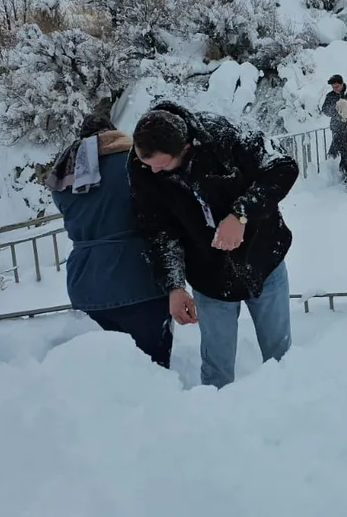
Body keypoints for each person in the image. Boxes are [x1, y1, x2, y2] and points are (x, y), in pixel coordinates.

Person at [127, 102, 298, 389]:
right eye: (147, 164)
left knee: (281, 356)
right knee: (216, 371)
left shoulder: (222, 134)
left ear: (185, 148)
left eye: (161, 164)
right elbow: (156, 230)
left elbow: (282, 167)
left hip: (263, 259)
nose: (153, 171)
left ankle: (289, 402)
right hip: (208, 276)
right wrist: (174, 286)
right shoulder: (142, 168)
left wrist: (241, 214)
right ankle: (216, 413)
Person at [47, 114, 173, 368]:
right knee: (153, 365)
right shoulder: (137, 161)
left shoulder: (65, 173)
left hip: (86, 285)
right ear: (113, 132)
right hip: (139, 279)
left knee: (111, 368)